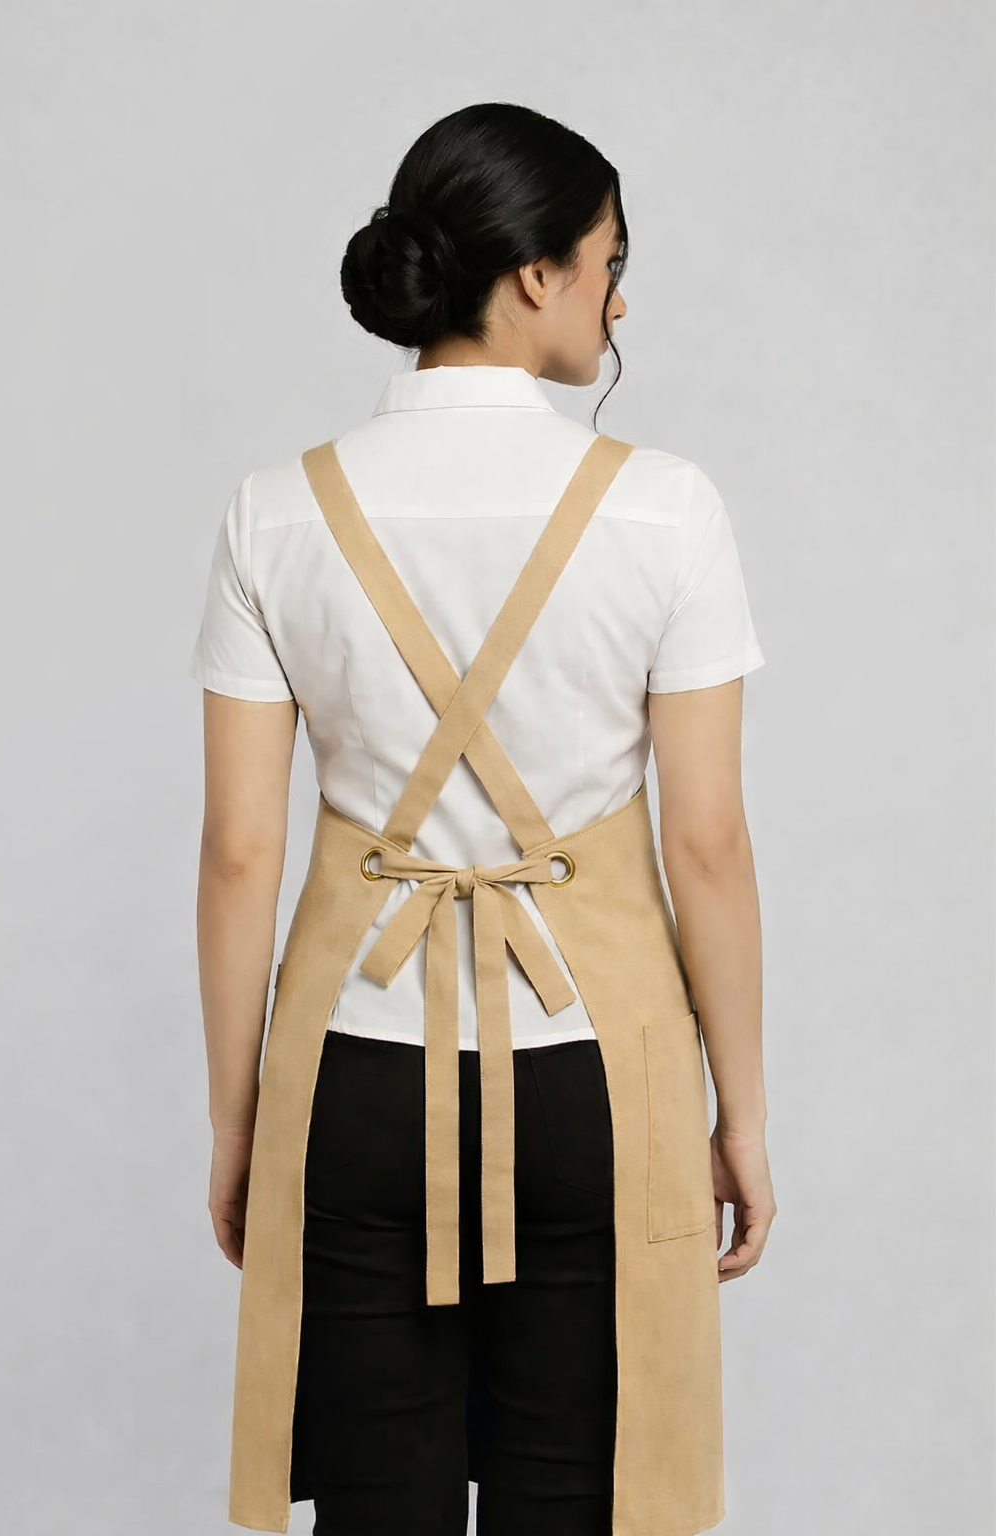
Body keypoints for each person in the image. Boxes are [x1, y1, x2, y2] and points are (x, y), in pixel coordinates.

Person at [189, 102, 776, 1536]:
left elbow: (241, 853)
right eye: (609, 262)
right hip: (596, 1079)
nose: (619, 301)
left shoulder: (277, 512)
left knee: (376, 1512)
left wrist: (241, 1119)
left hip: (355, 1079)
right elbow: (705, 846)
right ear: (534, 274)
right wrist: (742, 1117)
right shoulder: (665, 510)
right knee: (578, 1503)